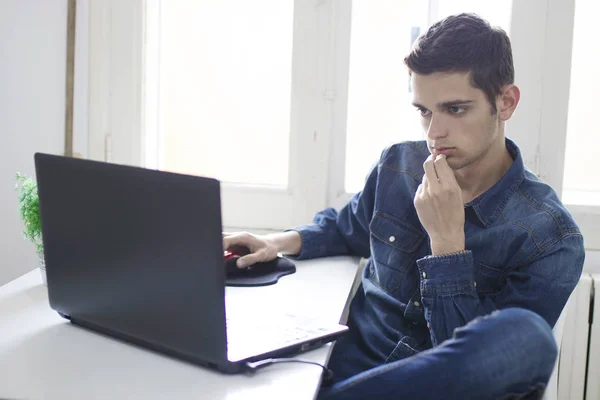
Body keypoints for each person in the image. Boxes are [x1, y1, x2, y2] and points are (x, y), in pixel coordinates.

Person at [223, 13, 585, 400]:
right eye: (424, 111)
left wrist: (446, 244)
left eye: (456, 109)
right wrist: (276, 242)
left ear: (506, 102)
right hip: (341, 378)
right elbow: (346, 228)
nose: (434, 133)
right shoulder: (397, 166)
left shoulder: (551, 237)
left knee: (529, 338)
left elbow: (472, 371)